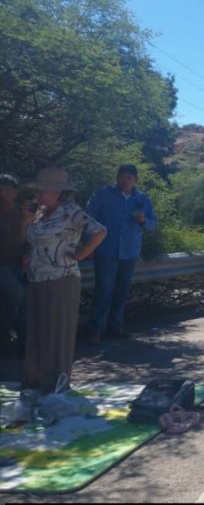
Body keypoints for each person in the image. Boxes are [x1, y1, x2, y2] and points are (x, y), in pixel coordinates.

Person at [23, 168, 106, 393]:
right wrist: (28, 221)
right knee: (37, 329)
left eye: (43, 191)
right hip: (37, 277)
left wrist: (81, 254)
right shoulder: (40, 213)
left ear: (57, 193)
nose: (38, 195)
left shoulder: (71, 211)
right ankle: (36, 379)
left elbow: (99, 231)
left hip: (61, 277)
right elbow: (31, 239)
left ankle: (55, 381)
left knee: (56, 330)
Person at [83, 163, 157, 344]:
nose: (125, 180)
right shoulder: (103, 194)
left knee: (122, 291)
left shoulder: (142, 198)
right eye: (122, 176)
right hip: (105, 251)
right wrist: (88, 246)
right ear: (117, 177)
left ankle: (115, 327)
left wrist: (143, 221)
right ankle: (95, 329)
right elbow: (87, 219)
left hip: (129, 252)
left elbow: (152, 224)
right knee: (103, 290)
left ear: (135, 180)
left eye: (129, 177)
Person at [0, 173, 28, 355]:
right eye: (1, 190)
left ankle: (24, 345)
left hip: (17, 264)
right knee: (18, 293)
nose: (4, 194)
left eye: (8, 190)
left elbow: (26, 241)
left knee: (23, 302)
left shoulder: (22, 213)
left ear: (15, 192)